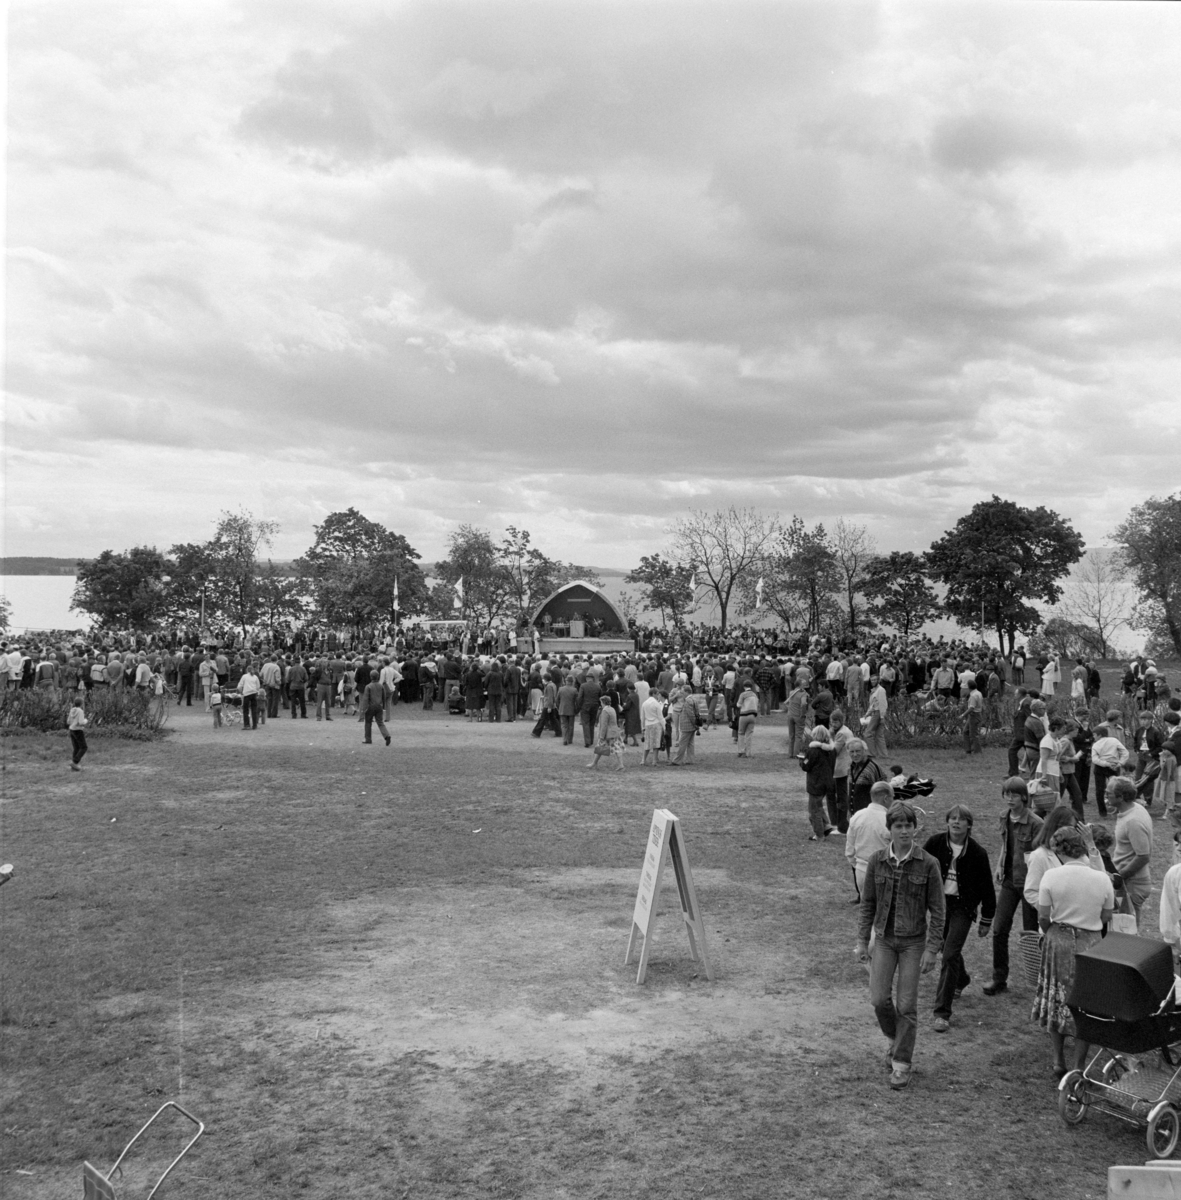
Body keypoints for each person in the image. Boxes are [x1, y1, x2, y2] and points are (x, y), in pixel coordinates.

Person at [856, 801, 945, 1091]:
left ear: (915, 829)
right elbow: (868, 903)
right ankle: (896, 1040)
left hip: (913, 942)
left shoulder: (928, 863)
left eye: (908, 826)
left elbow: (938, 909)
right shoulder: (877, 860)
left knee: (906, 1005)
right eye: (898, 826)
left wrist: (932, 948)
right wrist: (862, 941)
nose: (904, 831)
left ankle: (902, 1064)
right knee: (878, 999)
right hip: (883, 938)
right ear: (890, 830)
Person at [1032, 826, 1115, 1078]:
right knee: (1085, 1003)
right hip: (1090, 943)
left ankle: (1058, 1059)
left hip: (1058, 940)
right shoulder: (1101, 878)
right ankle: (1078, 1064)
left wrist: (1052, 930)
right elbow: (1107, 915)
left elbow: (1043, 916)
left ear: (1059, 850)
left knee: (1056, 997)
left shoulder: (1051, 876)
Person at [924, 804, 996, 1032]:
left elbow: (987, 888)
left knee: (949, 955)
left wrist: (986, 919)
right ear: (947, 822)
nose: (956, 822)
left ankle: (942, 1013)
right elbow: (919, 868)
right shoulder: (934, 843)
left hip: (962, 908)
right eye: (952, 818)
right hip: (939, 905)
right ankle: (962, 979)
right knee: (948, 949)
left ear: (969, 825)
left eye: (961, 819)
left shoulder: (977, 853)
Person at [984, 778, 1044, 997]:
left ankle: (1039, 981)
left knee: (1031, 935)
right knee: (999, 929)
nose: (1010, 799)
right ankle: (999, 978)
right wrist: (999, 865)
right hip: (1009, 881)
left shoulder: (1036, 823)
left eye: (1014, 795)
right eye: (1007, 794)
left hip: (1030, 884)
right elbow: (1005, 844)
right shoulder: (1004, 816)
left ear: (1024, 797)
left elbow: (1042, 855)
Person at [1111, 776, 1153, 930]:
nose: (1105, 795)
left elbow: (1143, 856)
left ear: (1121, 797)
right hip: (1129, 882)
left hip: (1132, 884)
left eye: (1108, 793)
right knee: (1124, 929)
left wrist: (1119, 877)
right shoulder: (1132, 810)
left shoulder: (1133, 821)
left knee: (1127, 932)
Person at [846, 781, 892, 903]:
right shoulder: (889, 820)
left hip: (861, 871)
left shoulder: (857, 816)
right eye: (892, 797)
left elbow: (850, 850)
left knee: (866, 910)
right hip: (884, 871)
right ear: (886, 798)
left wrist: (858, 866)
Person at [801, 724, 836, 840]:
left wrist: (802, 759)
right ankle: (826, 826)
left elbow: (806, 766)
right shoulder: (832, 750)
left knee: (813, 810)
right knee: (818, 805)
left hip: (816, 784)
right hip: (828, 782)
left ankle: (819, 834)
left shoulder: (813, 751)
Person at [1091, 723, 1130, 817]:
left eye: (1094, 735)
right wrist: (1120, 763)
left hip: (1100, 767)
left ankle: (1102, 812)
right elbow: (1125, 753)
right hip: (1114, 766)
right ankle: (1120, 809)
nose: (1093, 737)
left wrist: (1106, 764)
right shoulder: (1114, 740)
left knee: (1100, 789)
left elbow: (1095, 759)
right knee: (1117, 788)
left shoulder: (1096, 745)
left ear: (1099, 735)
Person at [848, 740, 886, 816]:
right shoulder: (851, 766)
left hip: (868, 814)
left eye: (857, 751)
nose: (855, 754)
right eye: (852, 751)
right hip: (854, 813)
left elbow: (882, 790)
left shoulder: (872, 767)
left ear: (864, 751)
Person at [587, 694, 623, 771]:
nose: (600, 704)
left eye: (601, 702)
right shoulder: (612, 709)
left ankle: (594, 763)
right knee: (614, 748)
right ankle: (594, 763)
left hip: (608, 733)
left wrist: (601, 736)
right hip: (614, 731)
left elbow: (604, 725)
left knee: (602, 747)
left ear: (603, 702)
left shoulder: (605, 711)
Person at [361, 675, 391, 746]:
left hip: (370, 707)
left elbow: (365, 698)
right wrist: (383, 706)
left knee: (368, 723)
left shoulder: (368, 686)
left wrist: (364, 708)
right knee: (380, 722)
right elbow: (384, 697)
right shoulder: (381, 686)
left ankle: (368, 739)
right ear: (378, 677)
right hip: (379, 707)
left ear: (371, 677)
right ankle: (387, 735)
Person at [640, 688, 664, 767]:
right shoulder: (656, 703)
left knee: (647, 743)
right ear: (653, 694)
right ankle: (654, 761)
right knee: (656, 743)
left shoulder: (644, 703)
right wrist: (664, 726)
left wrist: (643, 727)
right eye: (657, 694)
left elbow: (642, 717)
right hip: (656, 724)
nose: (658, 696)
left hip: (647, 724)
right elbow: (660, 717)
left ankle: (643, 760)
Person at [735, 681, 759, 757]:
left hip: (744, 715)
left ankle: (741, 751)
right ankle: (748, 753)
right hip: (753, 716)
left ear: (744, 686)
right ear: (751, 686)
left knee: (741, 733)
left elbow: (738, 705)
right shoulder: (755, 695)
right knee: (749, 734)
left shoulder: (743, 694)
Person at [68, 694, 89, 771]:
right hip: (78, 730)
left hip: (71, 730)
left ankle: (73, 767)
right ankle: (74, 762)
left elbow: (68, 721)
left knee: (76, 748)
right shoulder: (80, 711)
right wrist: (85, 721)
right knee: (84, 747)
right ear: (81, 704)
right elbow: (81, 722)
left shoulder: (72, 710)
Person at [239, 661, 261, 731]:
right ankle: (255, 725)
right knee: (254, 709)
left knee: (246, 710)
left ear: (247, 670)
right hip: (254, 693)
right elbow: (258, 686)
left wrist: (241, 692)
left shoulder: (244, 676)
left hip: (246, 694)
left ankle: (247, 725)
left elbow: (240, 686)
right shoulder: (255, 677)